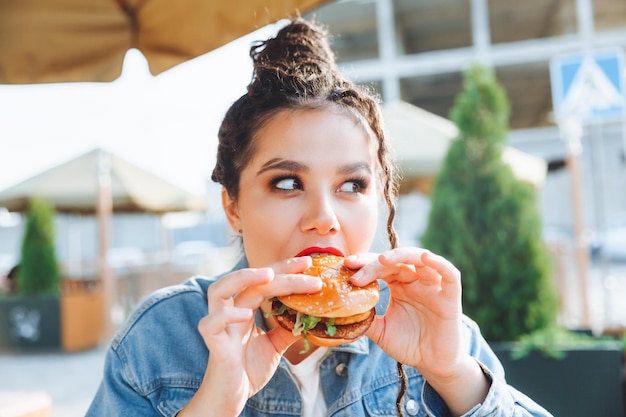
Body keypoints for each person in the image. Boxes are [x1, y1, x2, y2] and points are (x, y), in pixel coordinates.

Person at [86, 18, 552, 417]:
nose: (324, 218)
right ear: (233, 207)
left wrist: (454, 374)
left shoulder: (434, 327)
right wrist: (215, 401)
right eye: (287, 183)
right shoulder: (160, 338)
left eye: (352, 185)